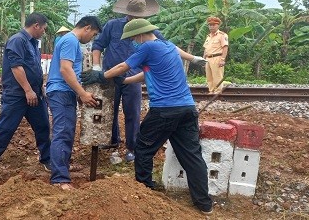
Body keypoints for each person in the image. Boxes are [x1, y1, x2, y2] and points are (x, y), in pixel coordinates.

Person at [84, 18, 213, 215]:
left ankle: (144, 192)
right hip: (187, 108)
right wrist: (125, 82)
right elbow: (148, 74)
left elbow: (121, 67)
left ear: (141, 34)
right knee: (192, 155)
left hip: (164, 110)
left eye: (134, 37)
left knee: (143, 147)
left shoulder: (147, 48)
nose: (133, 41)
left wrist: (101, 76)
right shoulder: (168, 47)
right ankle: (204, 204)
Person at [0, 13, 50, 171]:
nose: (44, 31)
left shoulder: (33, 43)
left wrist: (39, 87)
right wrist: (28, 90)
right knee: (5, 128)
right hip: (17, 95)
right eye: (43, 28)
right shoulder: (18, 40)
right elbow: (16, 67)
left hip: (35, 93)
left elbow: (34, 67)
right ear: (36, 25)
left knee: (43, 126)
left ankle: (47, 158)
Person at [46, 16, 102, 190]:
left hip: (64, 92)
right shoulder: (71, 41)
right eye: (92, 34)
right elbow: (65, 69)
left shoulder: (69, 41)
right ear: (87, 28)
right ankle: (60, 178)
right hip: (61, 92)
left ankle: (63, 166)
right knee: (62, 132)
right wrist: (82, 93)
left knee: (66, 131)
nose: (91, 39)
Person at [203, 16, 229, 94]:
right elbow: (206, 48)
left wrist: (222, 59)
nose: (211, 26)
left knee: (217, 76)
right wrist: (203, 60)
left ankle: (217, 92)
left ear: (218, 25)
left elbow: (225, 47)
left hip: (217, 57)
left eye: (213, 25)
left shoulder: (222, 35)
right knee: (209, 76)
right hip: (208, 58)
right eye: (210, 25)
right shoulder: (208, 36)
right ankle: (211, 91)